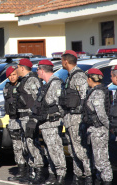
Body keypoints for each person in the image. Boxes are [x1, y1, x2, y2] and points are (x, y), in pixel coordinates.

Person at [59, 50, 92, 185]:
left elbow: (84, 97)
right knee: (73, 150)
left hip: (76, 118)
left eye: (61, 60)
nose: (61, 63)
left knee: (80, 149)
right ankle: (77, 176)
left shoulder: (78, 76)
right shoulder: (69, 76)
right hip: (68, 118)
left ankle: (89, 175)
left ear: (66, 61)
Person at [34, 60, 66, 185]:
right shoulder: (46, 84)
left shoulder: (56, 84)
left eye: (37, 70)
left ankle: (61, 176)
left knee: (55, 150)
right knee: (49, 151)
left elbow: (60, 106)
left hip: (52, 124)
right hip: (45, 124)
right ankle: (52, 175)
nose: (36, 72)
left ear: (42, 70)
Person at [16, 58, 44, 184]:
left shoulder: (32, 80)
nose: (16, 69)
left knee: (32, 144)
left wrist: (34, 117)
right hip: (22, 117)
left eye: (18, 67)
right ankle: (31, 172)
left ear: (22, 67)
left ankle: (38, 172)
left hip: (29, 117)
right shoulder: (24, 80)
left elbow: (37, 99)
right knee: (26, 145)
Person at [83, 68, 113, 185]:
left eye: (87, 79)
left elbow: (101, 114)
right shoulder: (95, 91)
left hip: (99, 130)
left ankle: (107, 181)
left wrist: (108, 127)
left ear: (90, 79)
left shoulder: (97, 93)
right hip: (95, 130)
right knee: (98, 159)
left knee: (102, 160)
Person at [4, 66, 26, 181]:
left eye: (14, 74)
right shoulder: (6, 87)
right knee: (17, 147)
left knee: (26, 146)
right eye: (10, 75)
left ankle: (30, 170)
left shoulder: (22, 85)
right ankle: (21, 170)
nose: (12, 77)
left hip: (22, 119)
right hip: (12, 120)